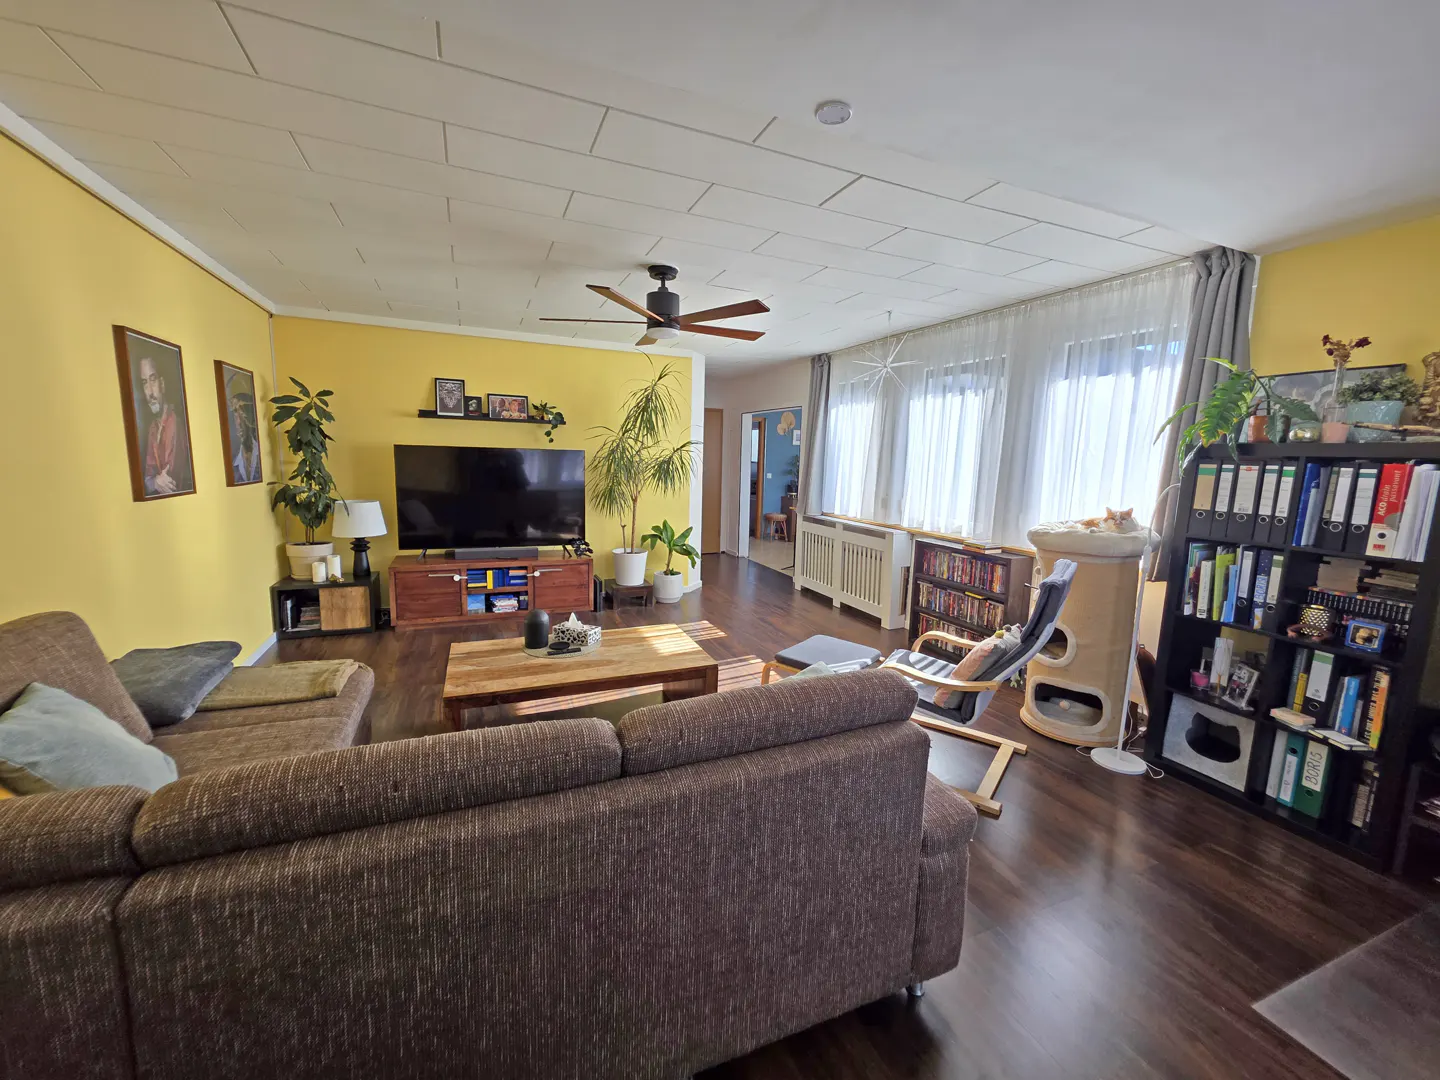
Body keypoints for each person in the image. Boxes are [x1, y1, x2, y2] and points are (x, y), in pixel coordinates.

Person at [139, 356, 190, 496]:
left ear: (162, 384)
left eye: (153, 379)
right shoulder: (153, 428)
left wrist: (153, 481)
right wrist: (154, 481)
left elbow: (170, 482)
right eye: (144, 383)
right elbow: (147, 477)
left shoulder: (175, 422)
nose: (149, 391)